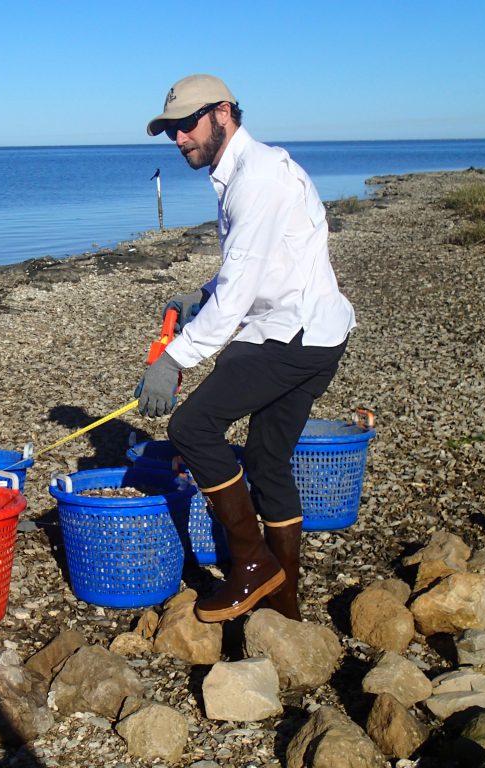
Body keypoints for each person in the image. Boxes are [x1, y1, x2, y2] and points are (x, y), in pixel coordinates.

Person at [137, 74, 355, 623]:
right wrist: (201, 294)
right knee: (266, 459)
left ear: (224, 112)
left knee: (191, 428)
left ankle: (253, 564)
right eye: (171, 131)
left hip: (292, 335)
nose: (181, 138)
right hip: (318, 332)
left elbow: (237, 300)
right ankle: (282, 606)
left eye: (188, 124)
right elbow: (254, 267)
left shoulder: (255, 178)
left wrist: (172, 360)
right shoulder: (244, 173)